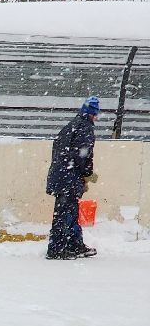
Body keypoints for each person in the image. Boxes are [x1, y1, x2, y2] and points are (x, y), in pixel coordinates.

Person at [45, 96, 99, 260]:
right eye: (96, 114)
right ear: (92, 114)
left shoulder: (71, 126)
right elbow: (82, 155)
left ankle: (74, 245)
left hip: (62, 176)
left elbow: (59, 151)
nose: (97, 117)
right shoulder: (85, 128)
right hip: (68, 178)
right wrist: (87, 174)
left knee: (68, 213)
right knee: (65, 215)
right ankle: (57, 250)